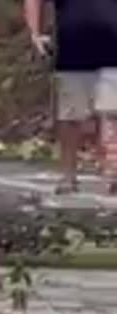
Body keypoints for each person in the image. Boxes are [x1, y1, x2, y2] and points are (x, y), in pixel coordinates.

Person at [25, 0, 117, 194]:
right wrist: (35, 33)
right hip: (73, 45)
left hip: (113, 44)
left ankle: (113, 172)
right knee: (71, 117)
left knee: (112, 113)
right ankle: (68, 175)